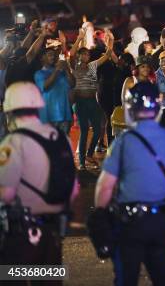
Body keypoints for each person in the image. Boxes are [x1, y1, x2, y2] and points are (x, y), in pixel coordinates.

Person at [94, 82, 165, 286]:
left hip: (129, 222)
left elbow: (105, 186)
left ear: (130, 108)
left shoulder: (123, 142)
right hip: (161, 219)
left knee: (126, 278)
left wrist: (100, 215)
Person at [0, 82, 78, 275]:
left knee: (11, 276)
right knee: (48, 279)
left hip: (21, 233)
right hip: (53, 231)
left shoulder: (12, 142)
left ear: (9, 111)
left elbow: (6, 195)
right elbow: (74, 188)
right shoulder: (60, 137)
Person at [70, 28, 115, 170]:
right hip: (81, 102)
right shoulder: (74, 67)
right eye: (82, 54)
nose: (85, 56)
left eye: (87, 54)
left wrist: (111, 41)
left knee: (98, 128)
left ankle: (89, 154)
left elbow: (107, 54)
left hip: (92, 101)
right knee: (84, 131)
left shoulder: (92, 66)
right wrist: (79, 38)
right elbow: (71, 54)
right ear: (79, 56)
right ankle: (82, 162)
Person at [34, 48, 75, 134]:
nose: (53, 57)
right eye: (50, 55)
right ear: (42, 58)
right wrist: (57, 69)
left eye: (54, 55)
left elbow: (72, 84)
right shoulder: (39, 73)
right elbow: (45, 86)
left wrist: (67, 69)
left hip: (64, 116)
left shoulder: (62, 72)